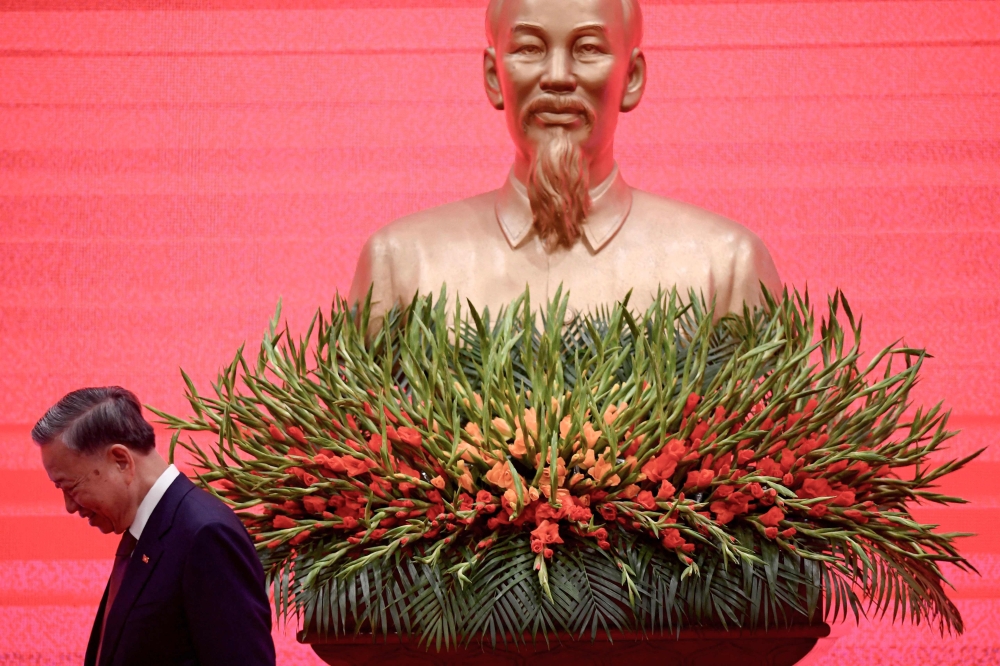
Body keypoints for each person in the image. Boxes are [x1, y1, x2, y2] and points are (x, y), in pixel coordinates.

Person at [349, 0, 781, 325]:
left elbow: (777, 439)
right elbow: (352, 439)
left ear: (631, 79)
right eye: (530, 48)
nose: (557, 75)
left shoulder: (725, 267)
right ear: (493, 77)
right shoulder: (402, 265)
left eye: (588, 48)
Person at [33, 386, 276, 666]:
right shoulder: (147, 531)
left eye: (70, 486)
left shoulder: (206, 534)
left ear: (121, 461)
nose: (69, 506)